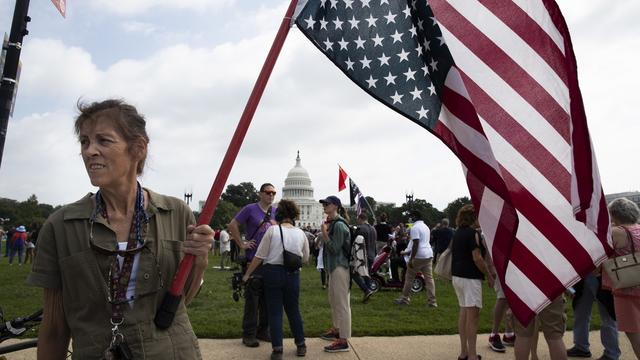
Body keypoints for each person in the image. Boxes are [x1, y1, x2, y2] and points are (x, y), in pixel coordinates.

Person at [26, 99, 213, 359]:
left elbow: (182, 299)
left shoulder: (177, 212)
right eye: (84, 141)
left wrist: (200, 261)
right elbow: (55, 327)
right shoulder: (61, 226)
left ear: (137, 148)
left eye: (103, 140)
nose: (90, 151)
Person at [242, 199, 309, 360]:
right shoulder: (301, 233)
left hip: (272, 273)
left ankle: (278, 349)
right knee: (293, 310)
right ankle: (301, 344)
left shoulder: (272, 231)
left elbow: (259, 255)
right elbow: (305, 258)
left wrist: (247, 274)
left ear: (279, 213)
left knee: (275, 312)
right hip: (293, 274)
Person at [227, 183, 277, 347]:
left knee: (267, 299)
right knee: (252, 300)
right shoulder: (250, 209)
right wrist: (241, 243)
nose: (271, 195)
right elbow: (232, 224)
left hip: (271, 260)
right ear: (260, 193)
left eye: (273, 193)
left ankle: (263, 330)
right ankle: (249, 333)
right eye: (268, 192)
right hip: (252, 259)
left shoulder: (276, 211)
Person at [451, 204, 494, 360]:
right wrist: (489, 275)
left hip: (457, 277)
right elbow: (477, 258)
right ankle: (473, 355)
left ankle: (464, 352)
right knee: (473, 317)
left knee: (463, 313)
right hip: (470, 278)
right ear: (473, 217)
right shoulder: (473, 234)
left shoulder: (457, 233)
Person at [604, 198, 640, 358]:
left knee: (634, 333)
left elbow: (602, 256)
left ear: (614, 215)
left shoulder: (616, 232)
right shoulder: (638, 229)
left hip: (626, 289)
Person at [318, 195, 352, 353]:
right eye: (324, 204)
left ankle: (343, 340)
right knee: (334, 301)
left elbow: (334, 248)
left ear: (336, 206)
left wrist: (324, 234)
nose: (324, 206)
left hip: (340, 267)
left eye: (327, 204)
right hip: (333, 267)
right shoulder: (331, 223)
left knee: (342, 304)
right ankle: (336, 330)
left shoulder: (339, 225)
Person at [566, 273, 619, 359]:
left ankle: (611, 354)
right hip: (584, 275)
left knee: (607, 316)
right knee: (580, 312)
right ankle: (581, 347)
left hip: (602, 274)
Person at [394, 211, 437, 307]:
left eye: (410, 217)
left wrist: (411, 258)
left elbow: (416, 243)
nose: (409, 219)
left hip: (419, 255)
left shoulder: (415, 228)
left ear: (414, 217)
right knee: (429, 279)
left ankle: (405, 299)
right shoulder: (426, 227)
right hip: (428, 254)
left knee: (409, 277)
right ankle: (432, 301)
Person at [351, 213, 376, 303]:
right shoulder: (373, 228)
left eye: (358, 219)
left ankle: (366, 290)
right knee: (367, 275)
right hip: (372, 254)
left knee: (354, 273)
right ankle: (367, 295)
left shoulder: (360, 229)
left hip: (362, 255)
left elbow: (354, 241)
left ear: (361, 219)